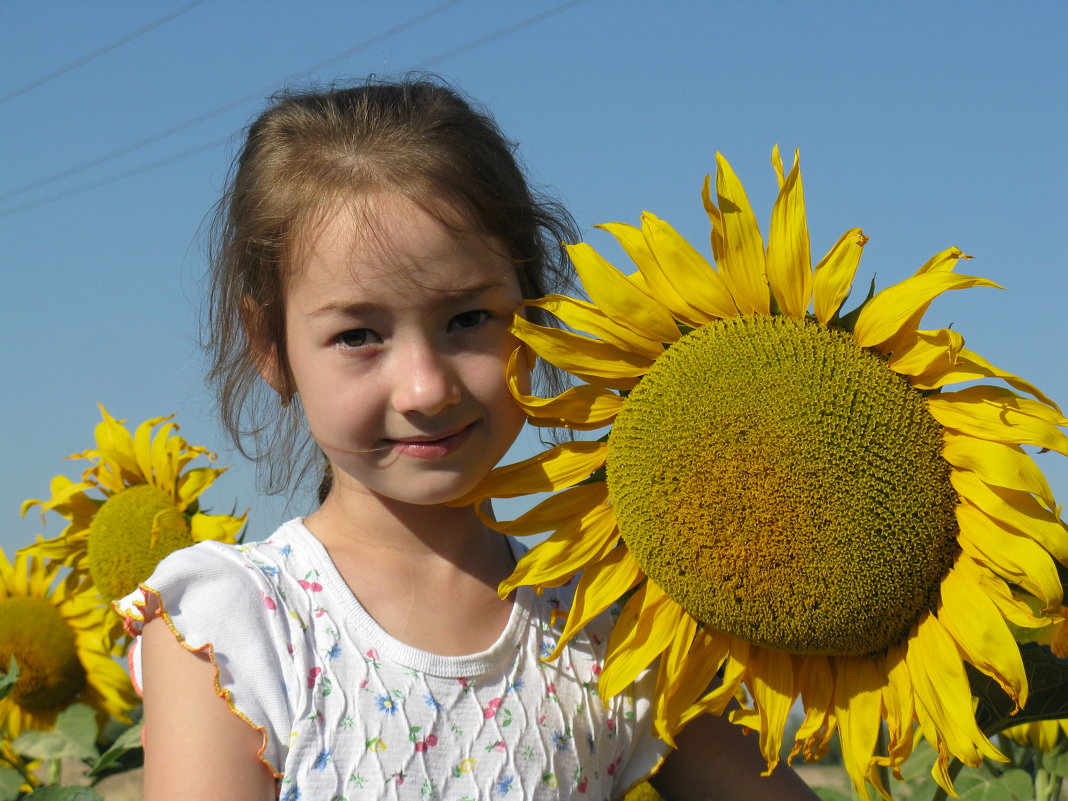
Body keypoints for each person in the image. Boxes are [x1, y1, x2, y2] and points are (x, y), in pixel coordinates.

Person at [116, 76, 818, 801]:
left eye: (468, 319)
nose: (426, 388)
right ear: (270, 345)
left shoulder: (609, 628)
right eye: (358, 334)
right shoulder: (237, 630)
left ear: (532, 311)